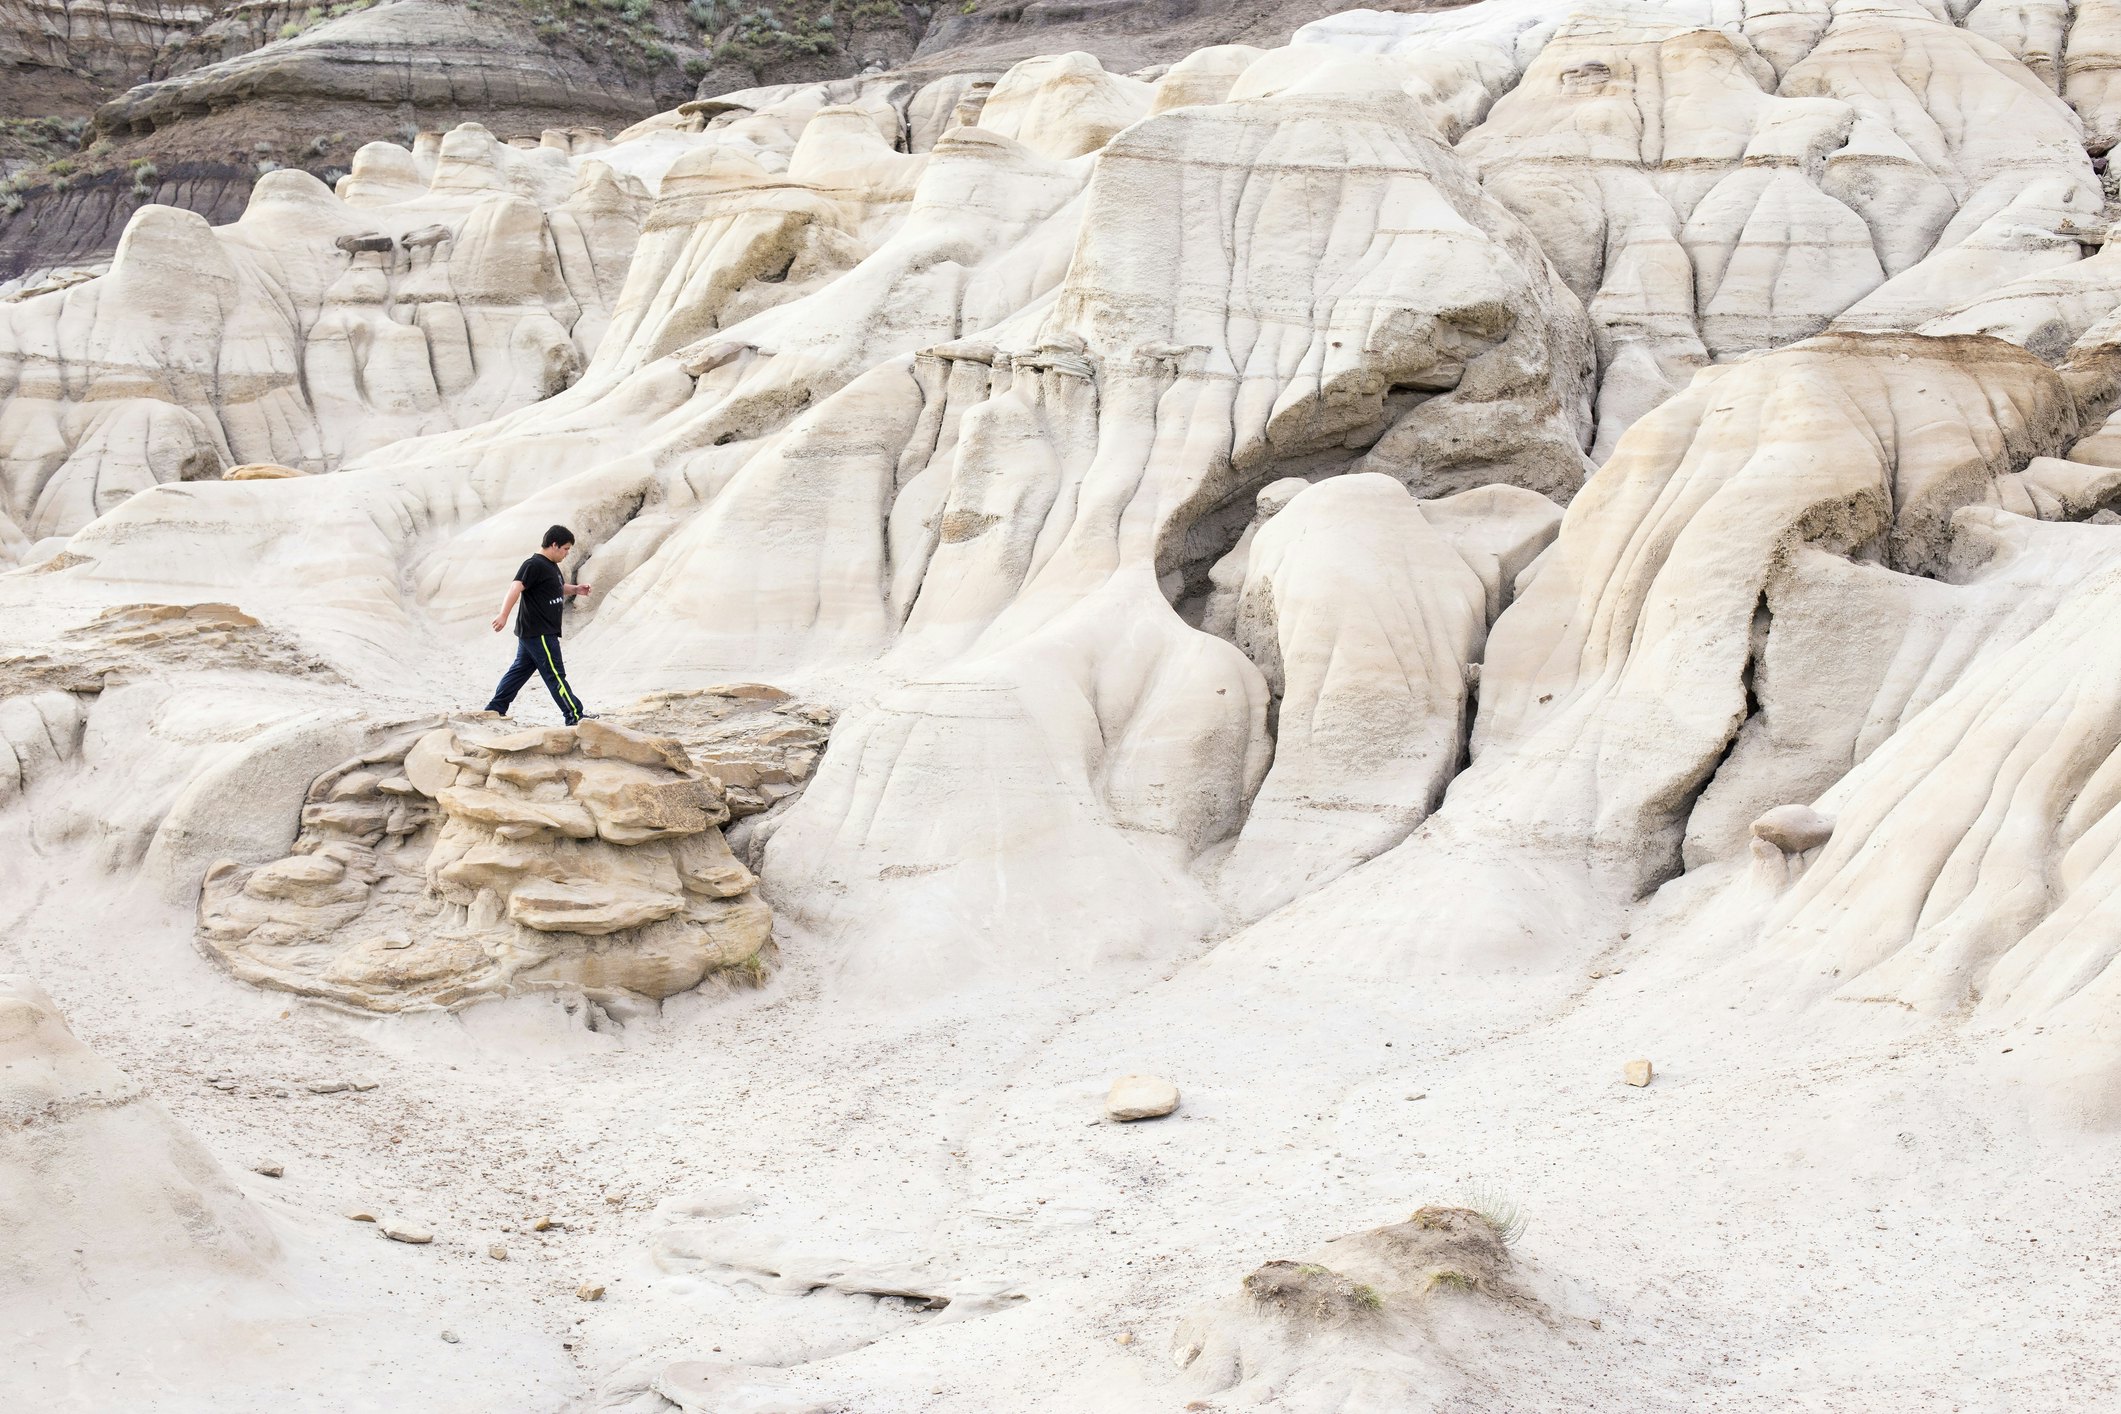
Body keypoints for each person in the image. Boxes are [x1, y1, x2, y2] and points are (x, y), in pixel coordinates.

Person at [485, 525, 594, 724]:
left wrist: (576, 589)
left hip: (533, 633)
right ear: (554, 545)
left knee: (519, 672)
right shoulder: (533, 564)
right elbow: (515, 587)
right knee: (555, 675)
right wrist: (503, 615)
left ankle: (494, 709)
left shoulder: (550, 566)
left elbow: (554, 588)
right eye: (566, 548)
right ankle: (574, 715)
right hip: (540, 632)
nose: (567, 553)